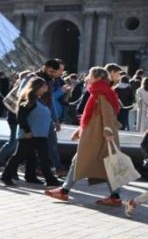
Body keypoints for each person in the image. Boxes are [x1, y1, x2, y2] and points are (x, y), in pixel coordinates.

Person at [45, 67, 124, 206]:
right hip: (96, 134)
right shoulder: (101, 91)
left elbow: (107, 115)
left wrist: (108, 132)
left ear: (98, 78)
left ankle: (64, 190)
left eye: (90, 75)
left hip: (98, 136)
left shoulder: (101, 92)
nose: (87, 77)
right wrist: (81, 129)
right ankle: (115, 196)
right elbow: (94, 115)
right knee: (106, 165)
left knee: (83, 161)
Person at [0, 77, 60, 187]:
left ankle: (44, 179)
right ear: (37, 87)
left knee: (41, 157)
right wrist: (27, 131)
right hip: (29, 135)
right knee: (19, 156)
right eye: (44, 86)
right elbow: (21, 117)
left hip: (40, 135)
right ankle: (6, 177)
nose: (46, 88)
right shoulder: (28, 100)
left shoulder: (39, 100)